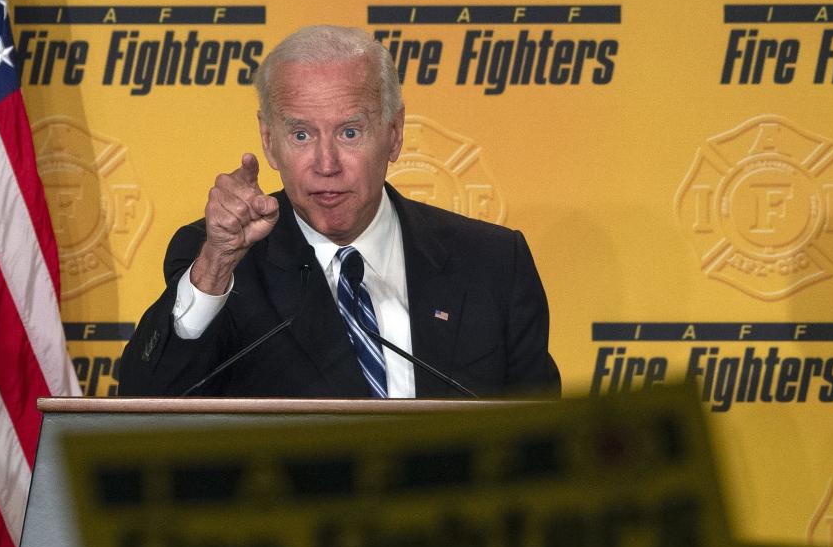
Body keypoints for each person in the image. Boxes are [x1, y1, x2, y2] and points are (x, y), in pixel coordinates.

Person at [119, 25, 559, 398]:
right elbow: (143, 406)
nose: (326, 165)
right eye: (302, 136)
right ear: (269, 142)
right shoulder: (220, 261)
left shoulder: (493, 264)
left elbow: (543, 444)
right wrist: (214, 268)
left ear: (394, 133)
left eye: (350, 132)